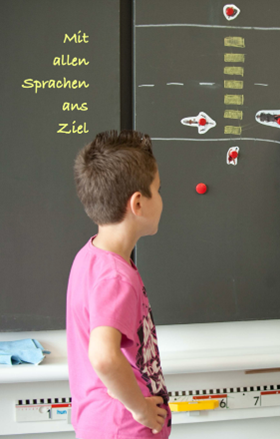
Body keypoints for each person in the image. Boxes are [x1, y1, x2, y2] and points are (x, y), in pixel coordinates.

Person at [66, 130, 171, 439]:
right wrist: (140, 410)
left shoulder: (90, 256)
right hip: (122, 428)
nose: (161, 199)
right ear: (138, 203)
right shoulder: (116, 278)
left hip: (102, 423)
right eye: (158, 190)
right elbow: (103, 356)